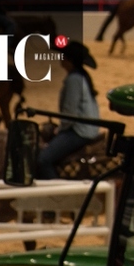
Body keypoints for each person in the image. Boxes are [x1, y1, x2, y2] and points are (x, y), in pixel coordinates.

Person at [35, 41, 100, 180]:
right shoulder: (81, 77)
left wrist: (60, 129)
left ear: (69, 60)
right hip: (86, 128)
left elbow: (70, 112)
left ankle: (57, 190)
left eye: (63, 56)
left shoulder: (74, 80)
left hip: (79, 131)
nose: (60, 59)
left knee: (43, 160)